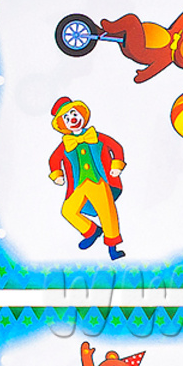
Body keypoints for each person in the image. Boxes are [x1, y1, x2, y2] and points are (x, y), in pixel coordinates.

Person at [47, 97, 127, 260]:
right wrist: (57, 174)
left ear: (82, 114)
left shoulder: (96, 137)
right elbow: (54, 159)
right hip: (79, 185)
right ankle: (91, 231)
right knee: (68, 210)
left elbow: (116, 147)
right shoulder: (66, 144)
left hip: (99, 182)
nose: (72, 119)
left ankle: (113, 248)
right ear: (63, 125)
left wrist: (116, 165)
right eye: (67, 118)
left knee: (107, 213)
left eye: (74, 114)